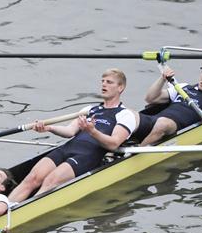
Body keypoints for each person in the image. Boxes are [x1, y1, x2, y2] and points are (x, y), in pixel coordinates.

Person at [8, 69, 137, 203]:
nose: (104, 85)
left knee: (50, 181)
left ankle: (19, 216)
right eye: (102, 81)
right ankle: (2, 211)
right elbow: (69, 131)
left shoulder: (125, 115)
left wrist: (92, 131)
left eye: (109, 82)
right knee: (32, 178)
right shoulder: (90, 110)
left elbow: (114, 143)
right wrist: (49, 128)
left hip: (87, 156)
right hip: (67, 148)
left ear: (120, 87)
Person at [136, 62, 202, 146]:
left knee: (162, 124)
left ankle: (136, 153)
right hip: (154, 120)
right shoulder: (184, 87)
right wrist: (162, 79)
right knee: (130, 114)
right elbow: (150, 98)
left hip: (170, 127)